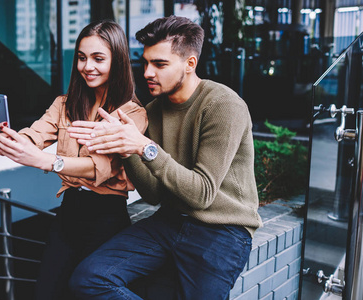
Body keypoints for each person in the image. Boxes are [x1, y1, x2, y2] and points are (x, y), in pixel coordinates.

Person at [67, 15, 263, 300]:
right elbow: (153, 193)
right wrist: (128, 149)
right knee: (89, 278)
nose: (147, 72)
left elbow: (202, 194)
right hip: (169, 221)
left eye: (159, 64)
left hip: (223, 231)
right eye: (145, 62)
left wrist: (145, 147)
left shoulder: (223, 105)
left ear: (190, 64)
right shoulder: (155, 110)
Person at [0, 20, 148, 300]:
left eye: (99, 58)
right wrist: (9, 141)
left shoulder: (131, 114)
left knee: (87, 292)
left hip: (107, 215)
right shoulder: (65, 104)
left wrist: (49, 162)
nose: (88, 67)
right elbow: (35, 135)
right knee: (46, 292)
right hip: (70, 209)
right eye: (82, 58)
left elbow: (102, 168)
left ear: (118, 61)